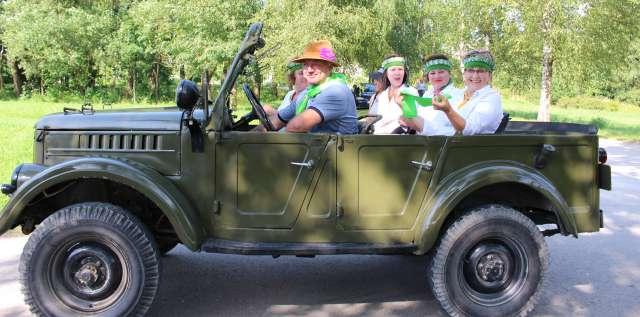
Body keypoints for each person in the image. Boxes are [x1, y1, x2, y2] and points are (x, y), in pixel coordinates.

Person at [401, 49, 503, 136]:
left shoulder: (491, 98)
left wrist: (448, 110)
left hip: (469, 151)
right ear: (464, 74)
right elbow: (441, 125)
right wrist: (410, 115)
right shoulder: (461, 94)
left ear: (489, 75)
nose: (475, 76)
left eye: (481, 71)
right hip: (447, 146)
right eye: (471, 70)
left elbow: (468, 130)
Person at [265, 40, 358, 134]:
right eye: (305, 64)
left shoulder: (336, 91)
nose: (309, 70)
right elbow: (277, 120)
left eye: (316, 63)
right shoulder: (307, 93)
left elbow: (296, 126)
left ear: (329, 67)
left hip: (335, 148)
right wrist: (253, 134)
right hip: (317, 147)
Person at [368, 54, 418, 134]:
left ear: (404, 72)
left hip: (399, 141)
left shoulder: (410, 92)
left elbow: (414, 122)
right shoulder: (383, 95)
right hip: (377, 139)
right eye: (393, 69)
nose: (397, 73)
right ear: (386, 74)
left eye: (400, 69)